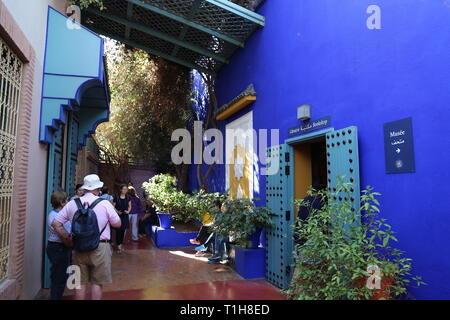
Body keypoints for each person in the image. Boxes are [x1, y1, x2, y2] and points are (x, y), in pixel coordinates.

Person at [51, 174, 121, 300]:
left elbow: (55, 223)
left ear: (84, 188)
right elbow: (118, 223)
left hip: (78, 248)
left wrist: (68, 239)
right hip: (100, 247)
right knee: (97, 283)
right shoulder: (105, 203)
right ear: (98, 188)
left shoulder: (72, 203)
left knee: (78, 283)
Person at [46, 190, 71, 300]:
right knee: (59, 278)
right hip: (58, 248)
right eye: (67, 200)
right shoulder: (55, 217)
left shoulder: (58, 214)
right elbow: (64, 236)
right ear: (62, 203)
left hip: (59, 248)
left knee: (60, 275)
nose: (68, 202)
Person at [113, 184, 131, 253]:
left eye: (126, 189)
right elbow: (113, 206)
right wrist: (117, 212)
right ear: (120, 190)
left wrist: (128, 211)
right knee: (118, 231)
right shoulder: (117, 197)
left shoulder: (128, 197)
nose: (125, 190)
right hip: (118, 216)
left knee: (123, 230)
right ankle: (119, 246)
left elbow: (130, 206)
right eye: (124, 189)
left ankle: (120, 244)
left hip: (125, 216)